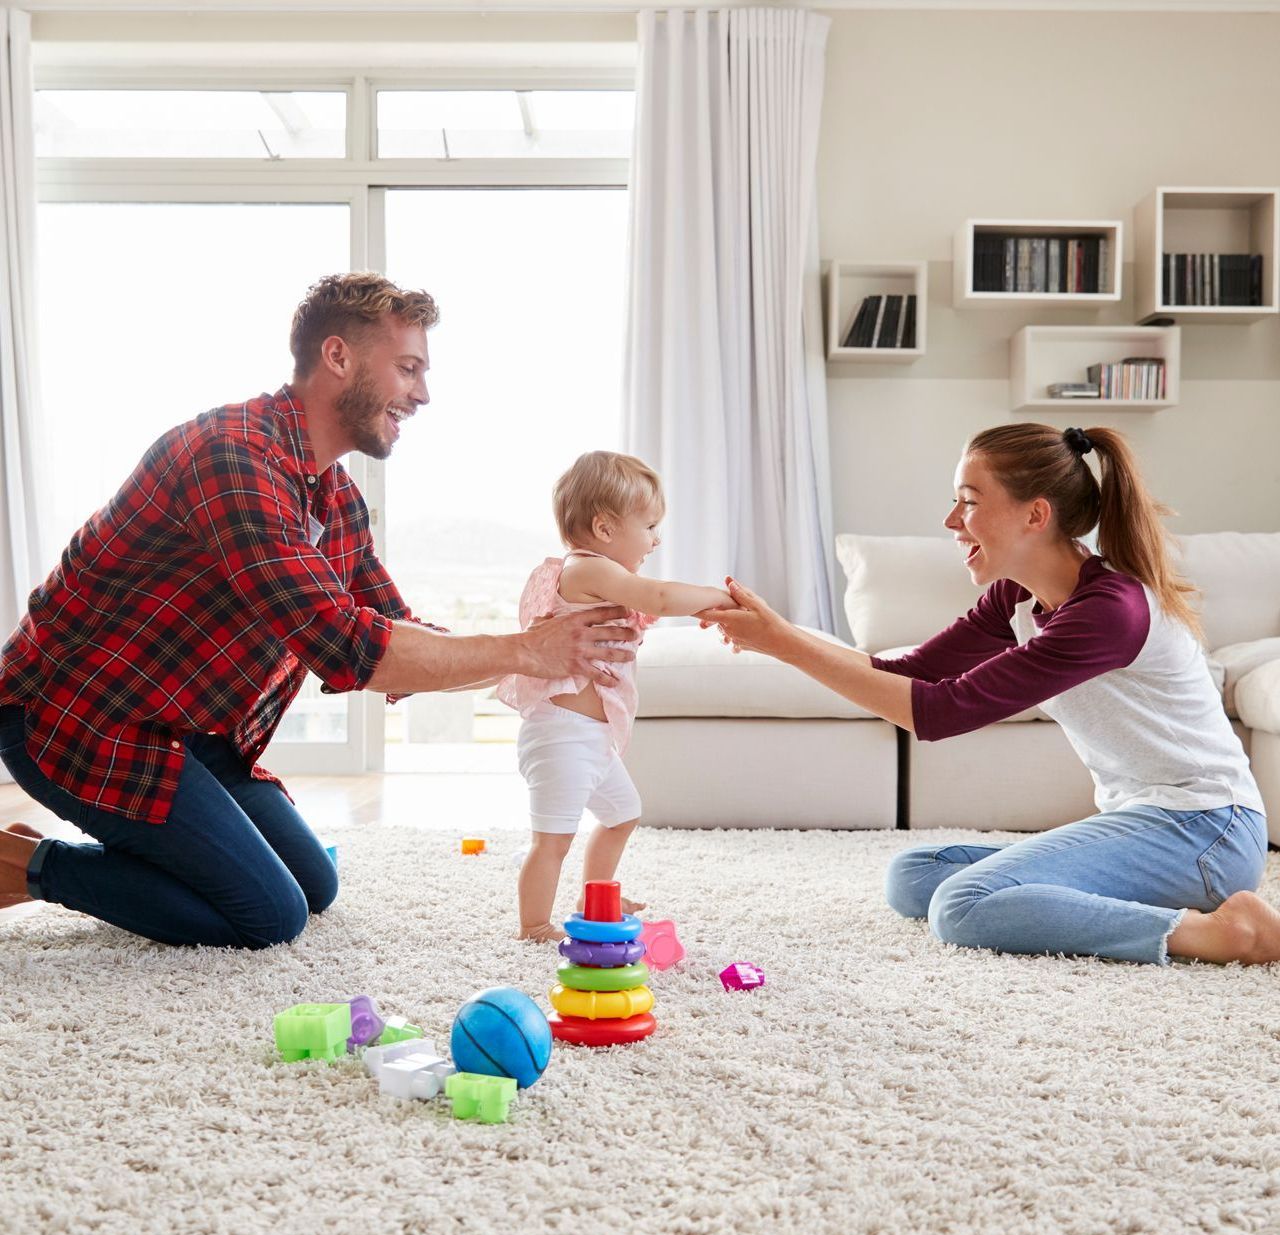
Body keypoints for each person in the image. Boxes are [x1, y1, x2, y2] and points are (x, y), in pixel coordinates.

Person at [0, 273, 638, 948]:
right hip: (80, 720)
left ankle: (133, 860)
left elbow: (397, 631)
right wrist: (522, 652)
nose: (422, 394)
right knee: (267, 915)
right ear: (339, 358)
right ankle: (31, 866)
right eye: (409, 368)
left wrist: (539, 653)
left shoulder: (334, 497)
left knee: (314, 886)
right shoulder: (235, 459)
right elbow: (349, 646)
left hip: (187, 731)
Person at [702, 422, 1279, 967]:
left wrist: (782, 643)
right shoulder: (1019, 597)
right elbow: (913, 673)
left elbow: (938, 711)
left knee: (962, 906)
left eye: (970, 500)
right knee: (915, 876)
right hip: (1149, 822)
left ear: (1035, 514)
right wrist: (781, 633)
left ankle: (1218, 933)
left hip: (1206, 829)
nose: (952, 519)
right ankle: (1142, 904)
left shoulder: (1109, 611)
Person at [497, 451, 734, 942]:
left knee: (622, 815)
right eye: (649, 526)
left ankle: (595, 895)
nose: (656, 539)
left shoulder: (598, 574)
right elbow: (661, 598)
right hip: (561, 737)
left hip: (592, 737)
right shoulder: (585, 570)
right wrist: (716, 596)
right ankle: (533, 924)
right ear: (604, 528)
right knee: (552, 841)